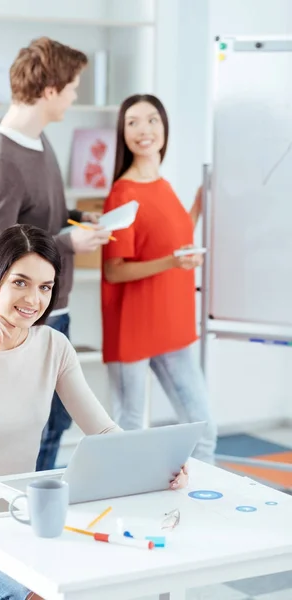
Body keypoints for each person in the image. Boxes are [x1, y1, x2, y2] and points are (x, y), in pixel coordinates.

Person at [0, 224, 188, 600]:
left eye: (45, 287)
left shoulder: (53, 346)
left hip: (22, 518)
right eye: (20, 282)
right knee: (43, 593)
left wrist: (158, 464)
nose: (33, 299)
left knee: (107, 573)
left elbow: (104, 431)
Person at [0, 37, 111, 472]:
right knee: (42, 427)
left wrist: (76, 215)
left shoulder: (38, 141)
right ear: (50, 89)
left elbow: (37, 214)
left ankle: (39, 508)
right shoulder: (2, 164)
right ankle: (30, 513)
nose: (74, 96)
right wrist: (68, 243)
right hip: (29, 313)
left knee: (58, 421)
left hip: (53, 306)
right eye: (72, 87)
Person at [101, 94, 217, 464]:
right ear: (123, 133)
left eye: (152, 120)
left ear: (164, 128)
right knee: (129, 428)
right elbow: (113, 269)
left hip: (172, 324)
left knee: (203, 432)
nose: (143, 129)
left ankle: (200, 512)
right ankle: (124, 509)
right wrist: (171, 261)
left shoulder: (163, 185)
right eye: (132, 122)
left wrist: (197, 209)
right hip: (133, 327)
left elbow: (171, 242)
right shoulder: (122, 193)